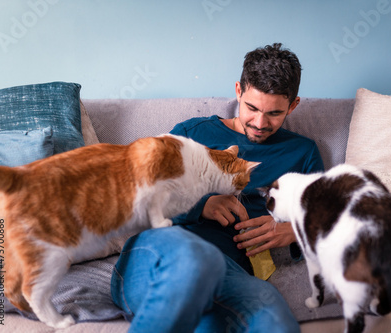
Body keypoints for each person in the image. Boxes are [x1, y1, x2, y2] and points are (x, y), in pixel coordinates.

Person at [111, 43, 324, 333]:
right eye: (252, 108)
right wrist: (202, 206)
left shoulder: (303, 152)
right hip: (162, 251)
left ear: (293, 105)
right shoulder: (192, 132)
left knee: (274, 321)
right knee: (192, 263)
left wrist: (293, 230)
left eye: (274, 113)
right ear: (238, 90)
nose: (260, 123)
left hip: (228, 272)